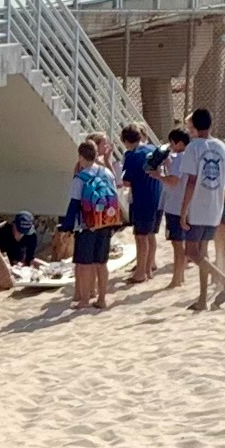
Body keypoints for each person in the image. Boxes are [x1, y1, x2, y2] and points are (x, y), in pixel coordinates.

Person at [170, 104, 225, 309]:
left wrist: (183, 210)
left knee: (192, 252)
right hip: (214, 205)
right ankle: (202, 299)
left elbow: (191, 181)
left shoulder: (193, 147)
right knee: (202, 253)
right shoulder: (221, 146)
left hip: (198, 205)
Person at [62, 139, 120, 312]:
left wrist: (67, 228)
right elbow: (114, 197)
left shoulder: (80, 179)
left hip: (86, 225)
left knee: (85, 264)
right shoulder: (107, 174)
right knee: (101, 263)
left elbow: (73, 205)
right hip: (105, 223)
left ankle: (85, 299)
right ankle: (102, 299)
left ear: (81, 157)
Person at [120, 122, 166, 286]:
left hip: (142, 198)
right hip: (157, 195)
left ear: (126, 140)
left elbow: (126, 181)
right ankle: (148, 268)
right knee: (151, 234)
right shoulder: (153, 149)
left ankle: (140, 272)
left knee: (140, 236)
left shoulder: (132, 155)